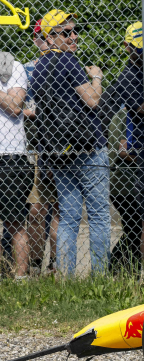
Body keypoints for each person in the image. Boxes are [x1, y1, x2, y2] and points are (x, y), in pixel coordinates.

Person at [30, 10, 110, 275]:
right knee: (99, 216)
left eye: (75, 31)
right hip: (88, 148)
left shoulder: (39, 67)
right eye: (66, 33)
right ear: (50, 37)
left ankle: (65, 278)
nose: (74, 37)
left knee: (68, 218)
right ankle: (100, 276)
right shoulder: (68, 61)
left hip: (58, 152)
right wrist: (96, 76)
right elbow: (92, 99)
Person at [100, 22, 144, 266]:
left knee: (136, 229)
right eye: (139, 49)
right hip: (125, 179)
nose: (143, 54)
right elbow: (122, 146)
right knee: (137, 228)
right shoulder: (126, 82)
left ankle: (119, 269)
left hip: (132, 174)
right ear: (127, 48)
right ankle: (118, 269)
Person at [24, 20, 58, 275]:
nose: (44, 43)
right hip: (33, 147)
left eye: (48, 37)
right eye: (41, 38)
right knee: (36, 209)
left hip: (60, 146)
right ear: (36, 41)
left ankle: (55, 264)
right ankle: (35, 264)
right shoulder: (26, 70)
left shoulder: (66, 65)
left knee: (58, 208)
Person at [0, 51, 32, 278]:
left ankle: (21, 278)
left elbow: (14, 106)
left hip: (9, 155)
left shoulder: (12, 66)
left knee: (15, 223)